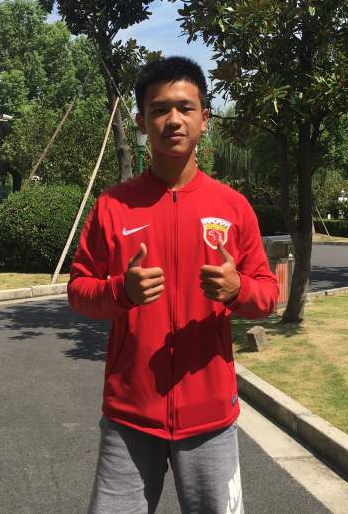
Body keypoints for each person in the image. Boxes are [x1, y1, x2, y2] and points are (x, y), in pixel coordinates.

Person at [67, 56, 278, 514]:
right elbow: (79, 290)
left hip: (210, 417)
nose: (173, 120)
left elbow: (267, 296)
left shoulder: (233, 207)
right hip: (130, 415)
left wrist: (237, 289)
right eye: (160, 109)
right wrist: (121, 292)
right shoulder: (113, 207)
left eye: (185, 107)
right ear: (141, 122)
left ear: (205, 118)